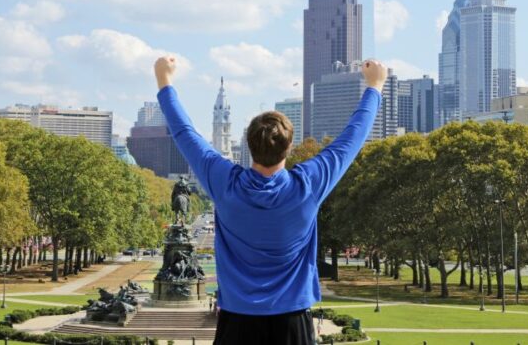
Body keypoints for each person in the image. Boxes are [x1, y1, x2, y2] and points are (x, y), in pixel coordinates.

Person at [154, 56, 385, 345]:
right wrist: (374, 86)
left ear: (249, 145)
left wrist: (165, 81)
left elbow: (184, 132)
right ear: (289, 146)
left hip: (236, 324)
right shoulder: (308, 185)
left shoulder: (224, 182)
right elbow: (352, 139)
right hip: (292, 323)